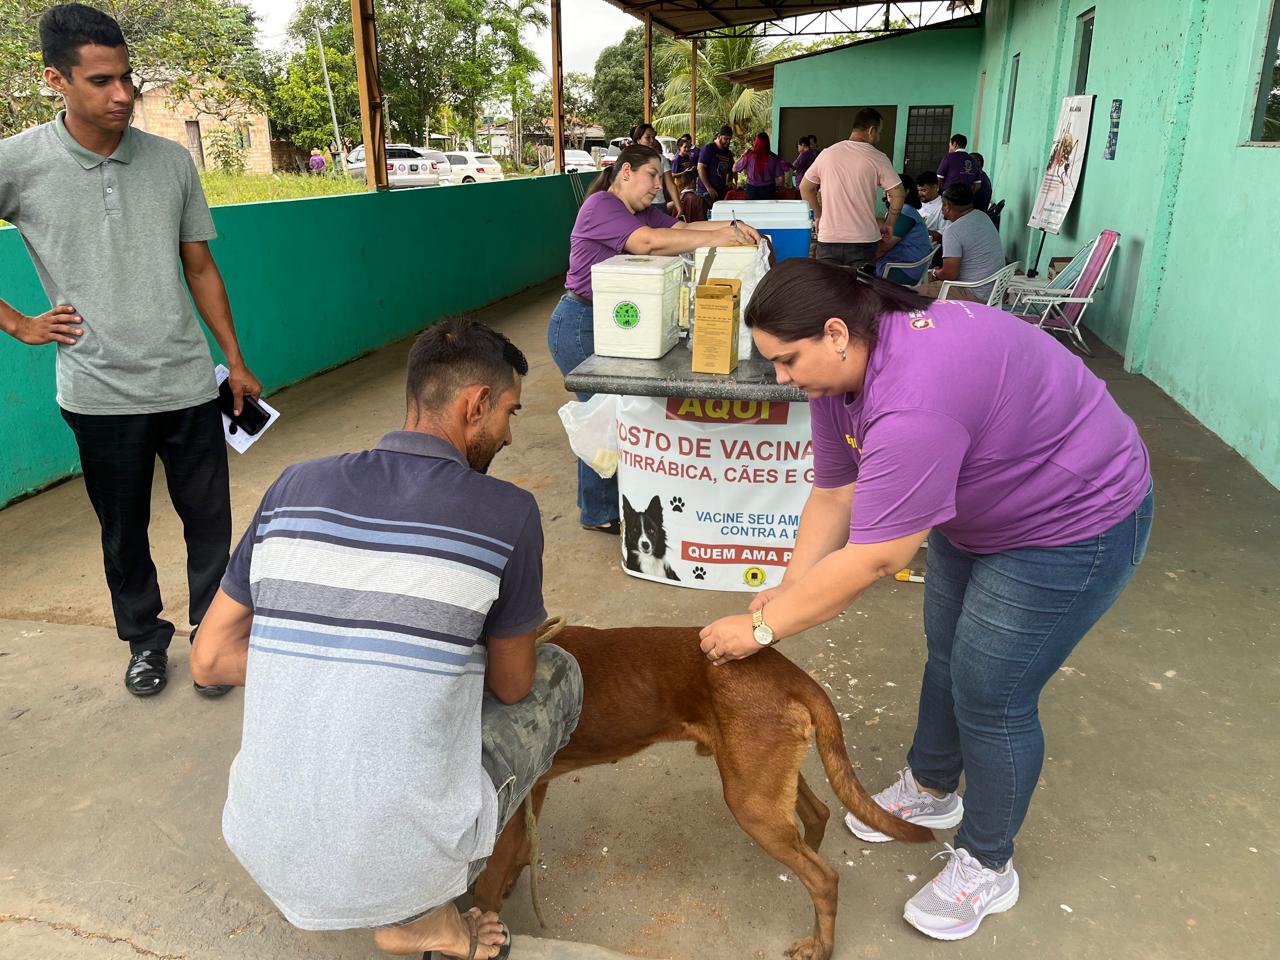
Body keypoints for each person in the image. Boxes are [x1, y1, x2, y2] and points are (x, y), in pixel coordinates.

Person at [699, 257, 1153, 942]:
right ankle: (933, 786)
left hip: (1072, 521)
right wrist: (786, 593)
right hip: (981, 509)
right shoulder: (839, 374)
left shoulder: (913, 396)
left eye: (786, 360)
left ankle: (988, 862)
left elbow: (880, 556)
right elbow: (834, 494)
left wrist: (761, 630)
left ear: (834, 333)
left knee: (992, 695)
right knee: (947, 654)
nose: (780, 378)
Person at [192, 316, 584, 960]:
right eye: (509, 412)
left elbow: (208, 660)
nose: (511, 434)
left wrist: (336, 660)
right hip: (403, 867)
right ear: (476, 403)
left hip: (263, 840)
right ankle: (424, 916)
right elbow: (512, 686)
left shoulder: (292, 484)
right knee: (557, 672)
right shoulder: (508, 513)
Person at [0, 3, 262, 698]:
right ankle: (145, 640)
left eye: (127, 79)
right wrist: (18, 324)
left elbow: (199, 266)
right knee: (124, 532)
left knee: (210, 524)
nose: (121, 95)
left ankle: (212, 637)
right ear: (55, 80)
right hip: (98, 392)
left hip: (187, 383)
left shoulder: (171, 161)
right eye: (101, 81)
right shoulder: (18, 163)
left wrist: (234, 360)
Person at [548, 144, 761, 534]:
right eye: (651, 176)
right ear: (625, 172)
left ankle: (603, 504)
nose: (657, 187)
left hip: (614, 322)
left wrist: (732, 227)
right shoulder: (601, 206)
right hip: (580, 322)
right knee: (603, 415)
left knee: (611, 412)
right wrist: (721, 237)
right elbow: (647, 243)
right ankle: (598, 511)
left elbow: (680, 230)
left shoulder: (638, 211)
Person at [800, 107, 905, 272]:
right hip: (863, 241)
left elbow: (805, 187)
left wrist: (819, 215)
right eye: (879, 133)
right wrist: (890, 224)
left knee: (829, 287)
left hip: (829, 239)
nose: (878, 137)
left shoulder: (827, 154)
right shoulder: (877, 157)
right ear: (871, 130)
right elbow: (898, 193)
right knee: (861, 287)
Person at [923, 183, 1006, 302]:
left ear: (947, 206)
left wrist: (935, 272)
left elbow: (950, 274)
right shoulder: (983, 216)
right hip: (992, 290)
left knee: (910, 295)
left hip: (973, 293)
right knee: (926, 278)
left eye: (942, 204)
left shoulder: (953, 231)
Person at [874, 173, 933, 284]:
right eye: (888, 188)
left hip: (904, 270)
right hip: (909, 267)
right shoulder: (904, 211)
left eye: (894, 188)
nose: (889, 191)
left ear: (906, 192)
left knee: (854, 270)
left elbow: (882, 248)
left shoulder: (904, 213)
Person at [630, 122, 678, 214]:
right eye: (648, 137)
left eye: (653, 137)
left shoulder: (661, 158)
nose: (652, 141)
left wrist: (678, 206)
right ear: (638, 140)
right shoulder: (631, 158)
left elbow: (670, 185)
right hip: (637, 204)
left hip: (658, 204)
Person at [733, 130, 787, 200]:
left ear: (756, 143)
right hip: (768, 191)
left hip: (751, 191)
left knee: (751, 207)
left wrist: (742, 156)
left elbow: (734, 169)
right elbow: (781, 178)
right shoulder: (774, 158)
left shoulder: (749, 156)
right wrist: (780, 188)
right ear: (768, 143)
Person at [696, 125, 736, 205]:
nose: (728, 141)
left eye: (729, 139)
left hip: (721, 191)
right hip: (707, 192)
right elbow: (700, 168)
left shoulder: (728, 153)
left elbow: (731, 170)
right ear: (719, 136)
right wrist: (708, 187)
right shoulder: (708, 149)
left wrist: (730, 181)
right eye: (725, 139)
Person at [915, 170, 945, 235]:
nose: (919, 194)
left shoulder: (943, 206)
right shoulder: (916, 202)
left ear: (935, 187)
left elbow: (943, 234)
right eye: (918, 190)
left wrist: (918, 231)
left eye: (923, 190)